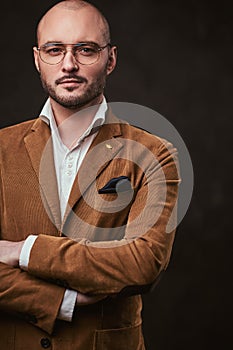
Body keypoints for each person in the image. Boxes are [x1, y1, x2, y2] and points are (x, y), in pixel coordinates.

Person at [0, 1, 180, 349]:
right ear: (38, 59)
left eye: (85, 49)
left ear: (110, 59)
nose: (69, 64)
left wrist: (24, 251)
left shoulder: (155, 154)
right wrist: (62, 302)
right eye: (55, 50)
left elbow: (144, 262)